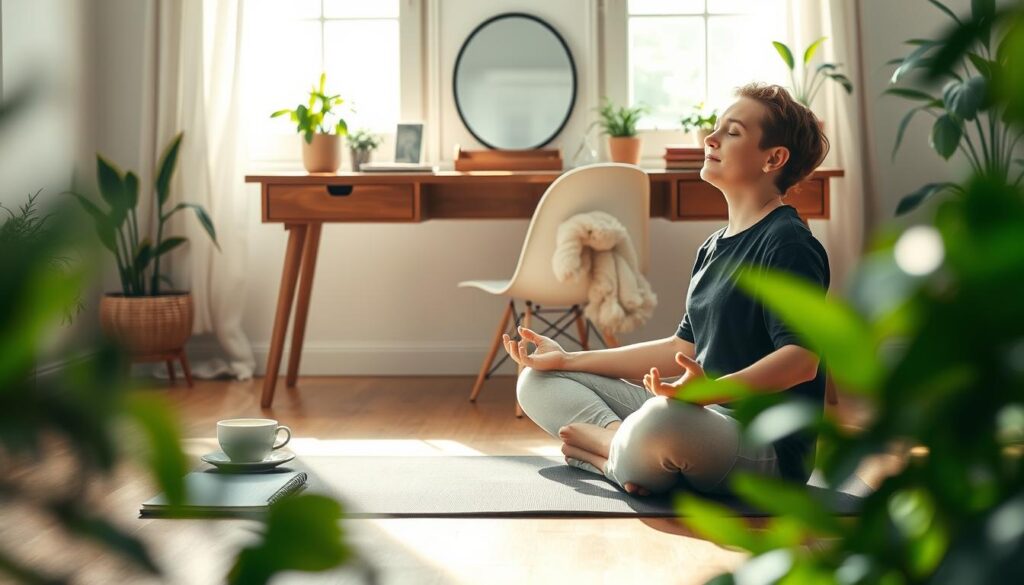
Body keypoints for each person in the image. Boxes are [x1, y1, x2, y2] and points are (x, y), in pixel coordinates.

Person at [505, 82, 831, 497]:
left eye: (732, 132)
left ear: (774, 158)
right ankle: (624, 446)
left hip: (763, 447)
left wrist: (713, 390)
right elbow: (682, 348)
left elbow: (801, 361)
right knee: (536, 380)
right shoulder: (713, 247)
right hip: (697, 415)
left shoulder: (790, 243)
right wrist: (568, 360)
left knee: (662, 417)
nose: (710, 138)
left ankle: (606, 452)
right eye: (716, 128)